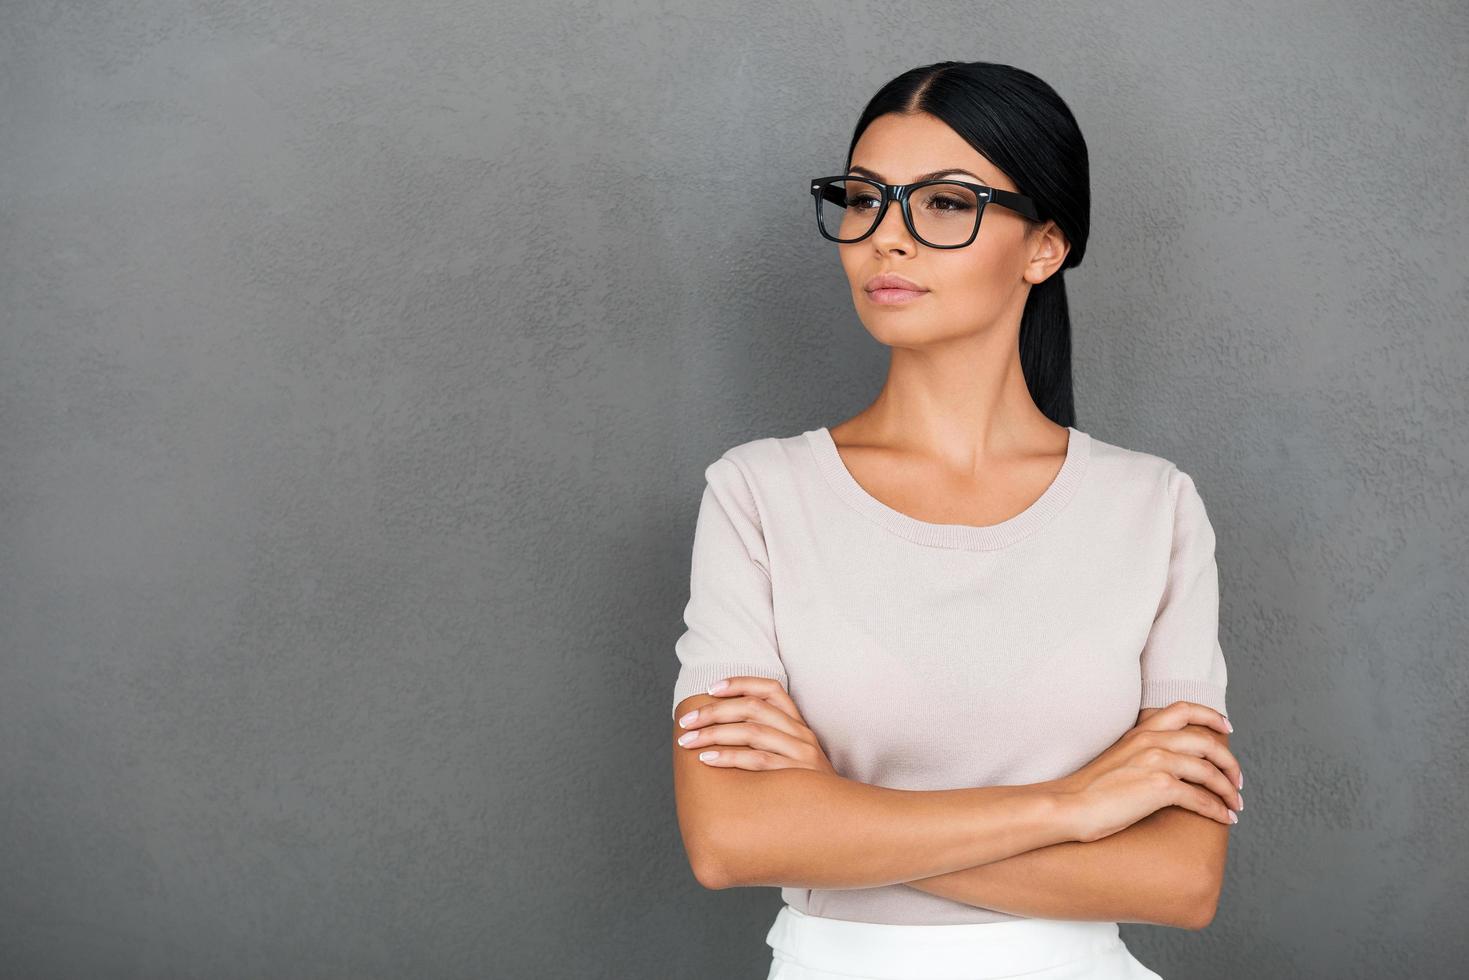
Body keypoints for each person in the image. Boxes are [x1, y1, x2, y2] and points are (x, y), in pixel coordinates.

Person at [669, 60, 1243, 980]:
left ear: (1043, 246)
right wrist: (1073, 807)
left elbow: (1180, 879)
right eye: (863, 200)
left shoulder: (1153, 507)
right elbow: (732, 838)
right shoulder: (759, 494)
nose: (884, 240)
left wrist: (834, 815)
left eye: (943, 204)